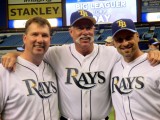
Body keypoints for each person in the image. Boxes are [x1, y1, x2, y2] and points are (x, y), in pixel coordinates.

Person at [1, 10, 160, 120]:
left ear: (94, 30)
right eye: (79, 27)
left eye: (88, 27)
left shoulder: (111, 54)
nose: (85, 32)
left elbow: (133, 57)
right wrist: (13, 54)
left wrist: (152, 54)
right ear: (71, 32)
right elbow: (32, 54)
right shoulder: (56, 53)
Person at [0, 17, 59, 120]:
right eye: (35, 34)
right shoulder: (4, 71)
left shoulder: (53, 67)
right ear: (25, 38)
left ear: (50, 40)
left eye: (44, 35)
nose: (40, 40)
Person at [110, 18, 160, 120]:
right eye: (119, 40)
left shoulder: (156, 64)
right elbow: (118, 105)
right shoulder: (113, 67)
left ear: (137, 37)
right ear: (114, 43)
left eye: (129, 38)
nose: (125, 43)